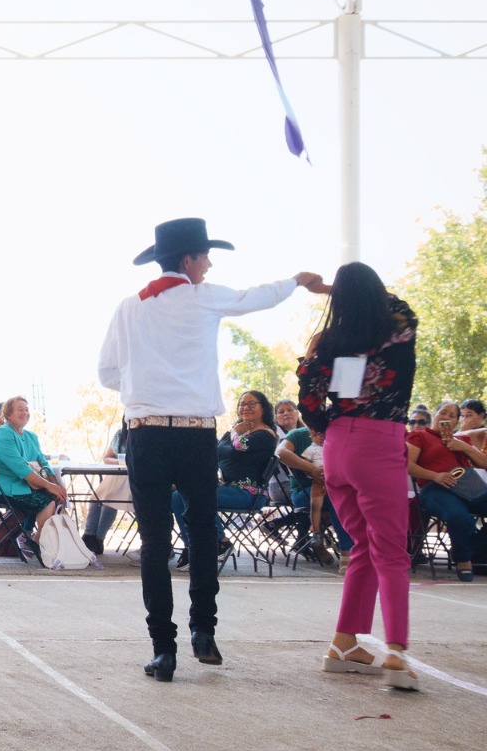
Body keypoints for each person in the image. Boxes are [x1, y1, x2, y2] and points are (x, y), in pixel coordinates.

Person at [98, 217, 325, 683]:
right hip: (196, 432)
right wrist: (298, 280)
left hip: (146, 433)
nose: (209, 263)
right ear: (188, 260)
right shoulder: (204, 298)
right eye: (205, 255)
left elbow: (107, 374)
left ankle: (164, 650)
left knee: (155, 541)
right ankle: (205, 631)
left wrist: (144, 384)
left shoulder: (128, 307)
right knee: (203, 532)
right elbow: (255, 297)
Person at [298, 261, 418, 689]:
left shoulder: (329, 341)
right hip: (379, 443)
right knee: (391, 552)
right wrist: (333, 288)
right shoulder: (397, 326)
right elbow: (396, 303)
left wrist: (324, 428)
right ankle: (398, 655)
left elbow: (308, 397)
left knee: (364, 546)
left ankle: (344, 644)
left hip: (337, 447)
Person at [171, 389, 277, 564]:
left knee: (192, 497)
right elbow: (216, 451)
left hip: (249, 494)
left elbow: (240, 446)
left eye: (252, 404)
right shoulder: (235, 431)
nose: (246, 408)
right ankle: (192, 547)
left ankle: (220, 542)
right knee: (176, 497)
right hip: (228, 489)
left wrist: (235, 431)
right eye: (242, 404)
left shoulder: (266, 434)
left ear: (263, 408)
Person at [406, 401, 487, 583]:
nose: (446, 418)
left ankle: (471, 548)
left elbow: (484, 463)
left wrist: (464, 447)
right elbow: (408, 466)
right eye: (443, 413)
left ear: (457, 422)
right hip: (435, 488)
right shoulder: (420, 435)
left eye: (452, 416)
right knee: (459, 517)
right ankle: (463, 559)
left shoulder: (462, 440)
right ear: (435, 415)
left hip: (468, 486)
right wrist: (435, 476)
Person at [0, 395, 67, 555]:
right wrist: (49, 486)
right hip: (1, 487)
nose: (25, 413)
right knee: (45, 501)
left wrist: (56, 485)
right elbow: (20, 468)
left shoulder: (30, 436)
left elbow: (43, 462)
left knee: (55, 498)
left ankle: (37, 542)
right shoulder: (3, 434)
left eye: (27, 409)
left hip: (22, 485)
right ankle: (39, 544)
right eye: (20, 409)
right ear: (8, 414)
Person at [276, 422, 352, 565]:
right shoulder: (298, 434)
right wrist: (311, 469)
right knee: (338, 498)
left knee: (348, 495)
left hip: (335, 486)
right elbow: (280, 453)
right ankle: (346, 551)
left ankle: (357, 548)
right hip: (304, 491)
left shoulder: (342, 434)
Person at [81, 421, 130, 556]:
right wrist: (122, 461)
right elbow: (107, 458)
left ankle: (99, 538)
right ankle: (89, 536)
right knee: (96, 498)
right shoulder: (120, 434)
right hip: (117, 475)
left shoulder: (146, 434)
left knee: (109, 500)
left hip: (135, 479)